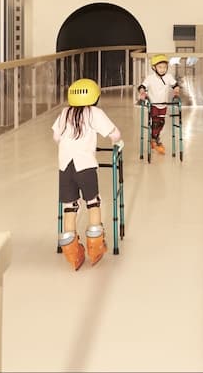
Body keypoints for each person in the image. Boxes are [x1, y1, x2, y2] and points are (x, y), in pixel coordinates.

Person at [53, 78, 123, 271]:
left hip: (65, 165)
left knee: (70, 205)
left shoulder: (65, 112)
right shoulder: (94, 112)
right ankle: (95, 245)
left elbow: (56, 137)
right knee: (93, 202)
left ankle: (71, 250)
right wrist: (117, 142)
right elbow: (114, 134)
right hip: (85, 165)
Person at [138, 54, 180, 154]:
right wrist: (142, 92)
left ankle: (155, 138)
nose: (162, 69)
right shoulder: (150, 78)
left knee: (161, 122)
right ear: (154, 67)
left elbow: (175, 85)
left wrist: (176, 90)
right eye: (160, 67)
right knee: (156, 122)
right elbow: (142, 86)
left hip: (163, 104)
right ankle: (154, 140)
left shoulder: (168, 77)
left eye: (164, 67)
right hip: (153, 104)